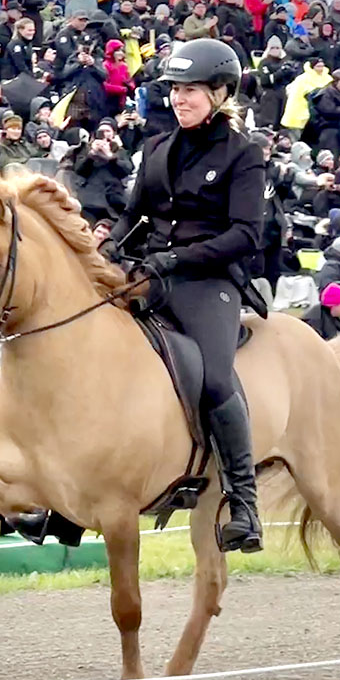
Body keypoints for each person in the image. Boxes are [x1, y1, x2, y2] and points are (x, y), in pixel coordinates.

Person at [105, 38, 264, 554]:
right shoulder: (155, 148)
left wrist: (176, 259)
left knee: (214, 378)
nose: (180, 99)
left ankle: (244, 503)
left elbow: (246, 234)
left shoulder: (243, 154)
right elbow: (136, 214)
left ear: (220, 92)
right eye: (175, 90)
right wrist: (110, 246)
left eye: (191, 90)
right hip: (149, 272)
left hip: (207, 281)